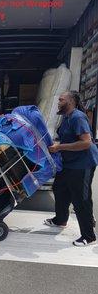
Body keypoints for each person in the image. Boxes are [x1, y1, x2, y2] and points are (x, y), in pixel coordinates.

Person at [44, 90, 98, 246]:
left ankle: (89, 235)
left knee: (81, 199)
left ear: (71, 101)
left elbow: (86, 142)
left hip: (83, 164)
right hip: (69, 163)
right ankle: (61, 220)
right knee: (60, 188)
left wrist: (60, 147)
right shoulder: (66, 118)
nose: (58, 102)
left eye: (61, 99)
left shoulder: (77, 117)